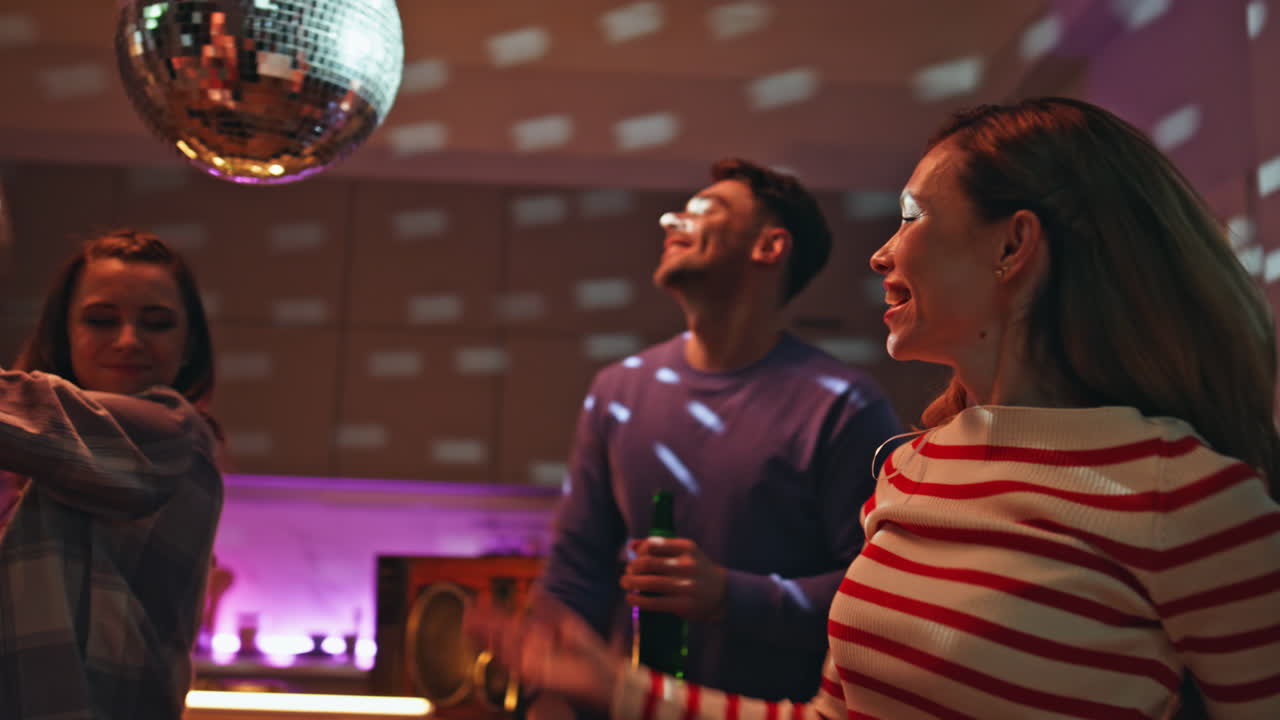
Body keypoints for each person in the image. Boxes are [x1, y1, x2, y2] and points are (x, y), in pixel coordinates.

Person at [472, 98, 1280, 719]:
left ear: (1012, 246)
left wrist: (733, 599)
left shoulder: (1183, 495)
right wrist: (616, 688)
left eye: (911, 217)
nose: (881, 251)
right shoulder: (912, 468)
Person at [538, 158, 904, 705]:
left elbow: (878, 595)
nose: (670, 223)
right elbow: (577, 568)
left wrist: (728, 595)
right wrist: (544, 681)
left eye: (705, 210)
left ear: (769, 247)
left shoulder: (843, 405)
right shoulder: (618, 391)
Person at [0, 229, 224, 719]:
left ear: (188, 346)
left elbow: (31, 415)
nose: (128, 341)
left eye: (157, 323)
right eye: (102, 319)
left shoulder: (174, 433)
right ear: (65, 334)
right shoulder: (50, 465)